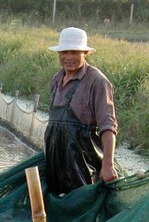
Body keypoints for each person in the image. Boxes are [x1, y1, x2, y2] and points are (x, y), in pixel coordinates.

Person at [44, 27, 118, 195]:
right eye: (65, 52)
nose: (69, 57)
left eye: (74, 52)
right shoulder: (56, 79)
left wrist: (108, 165)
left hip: (84, 166)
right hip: (55, 163)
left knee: (82, 202)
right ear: (59, 53)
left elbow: (108, 126)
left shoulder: (97, 81)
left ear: (85, 53)